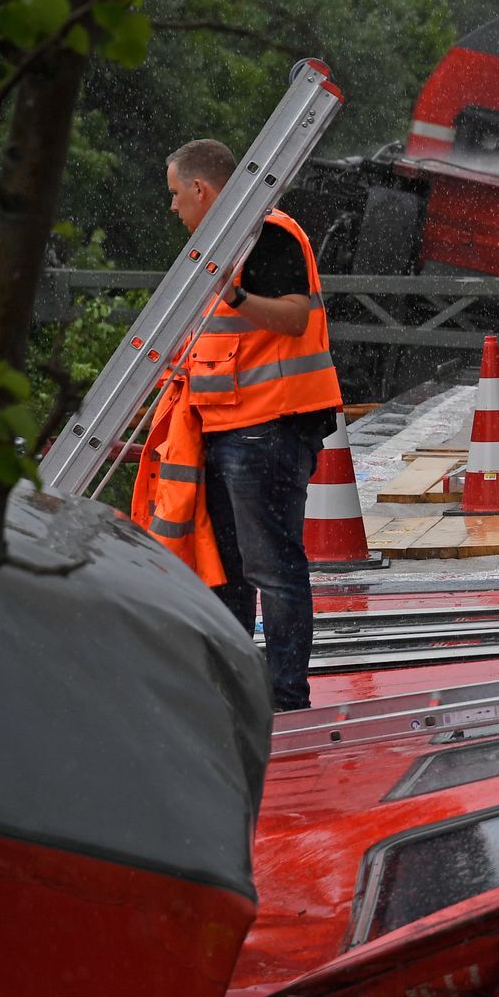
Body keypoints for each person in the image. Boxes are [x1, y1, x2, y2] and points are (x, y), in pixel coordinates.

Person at [136, 138, 341, 712]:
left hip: (268, 426)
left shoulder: (264, 233)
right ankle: (243, 688)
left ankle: (281, 695)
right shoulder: (219, 246)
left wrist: (239, 293)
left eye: (177, 195)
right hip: (229, 427)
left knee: (270, 566)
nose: (173, 208)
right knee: (229, 569)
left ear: (202, 190)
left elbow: (296, 317)